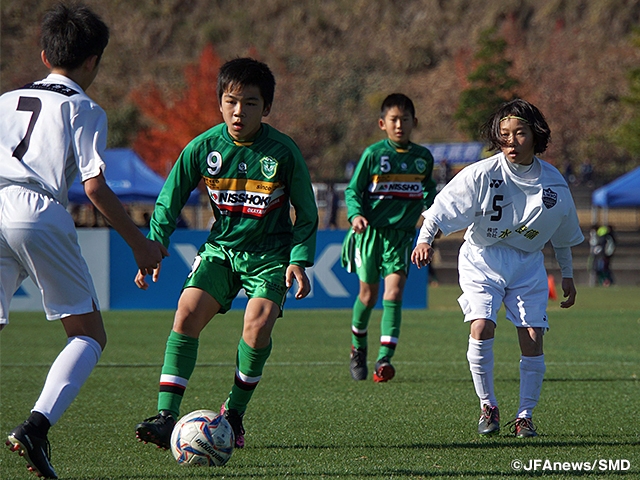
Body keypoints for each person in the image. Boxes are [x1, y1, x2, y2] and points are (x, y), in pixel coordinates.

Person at [0, 4, 168, 478]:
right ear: (93, 60)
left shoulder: (5, 100)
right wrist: (139, 242)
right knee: (88, 333)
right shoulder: (83, 108)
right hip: (36, 210)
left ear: (42, 52)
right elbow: (94, 187)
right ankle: (35, 427)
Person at [134, 58, 318, 451]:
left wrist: (299, 259)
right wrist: (155, 244)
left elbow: (306, 211)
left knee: (260, 320)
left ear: (265, 108)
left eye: (250, 103)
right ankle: (167, 417)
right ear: (219, 103)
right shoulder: (203, 147)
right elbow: (170, 199)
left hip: (270, 254)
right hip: (221, 250)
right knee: (186, 312)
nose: (239, 111)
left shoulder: (283, 152)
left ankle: (233, 413)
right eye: (231, 101)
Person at [411, 99, 584, 437]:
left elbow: (561, 232)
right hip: (482, 257)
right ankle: (487, 405)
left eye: (520, 133)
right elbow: (441, 208)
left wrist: (567, 274)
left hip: (527, 262)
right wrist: (424, 239)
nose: (511, 141)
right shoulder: (482, 172)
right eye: (504, 134)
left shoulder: (554, 183)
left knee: (533, 338)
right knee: (481, 326)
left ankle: (524, 415)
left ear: (535, 135)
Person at [341, 93, 436, 382]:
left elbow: (431, 198)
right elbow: (353, 191)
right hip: (370, 235)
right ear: (383, 123)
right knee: (367, 297)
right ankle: (358, 348)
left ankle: (384, 360)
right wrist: (356, 215)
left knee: (393, 294)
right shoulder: (373, 155)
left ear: (414, 122)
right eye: (394, 120)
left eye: (405, 120)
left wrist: (434, 224)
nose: (399, 125)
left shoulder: (423, 159)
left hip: (401, 237)